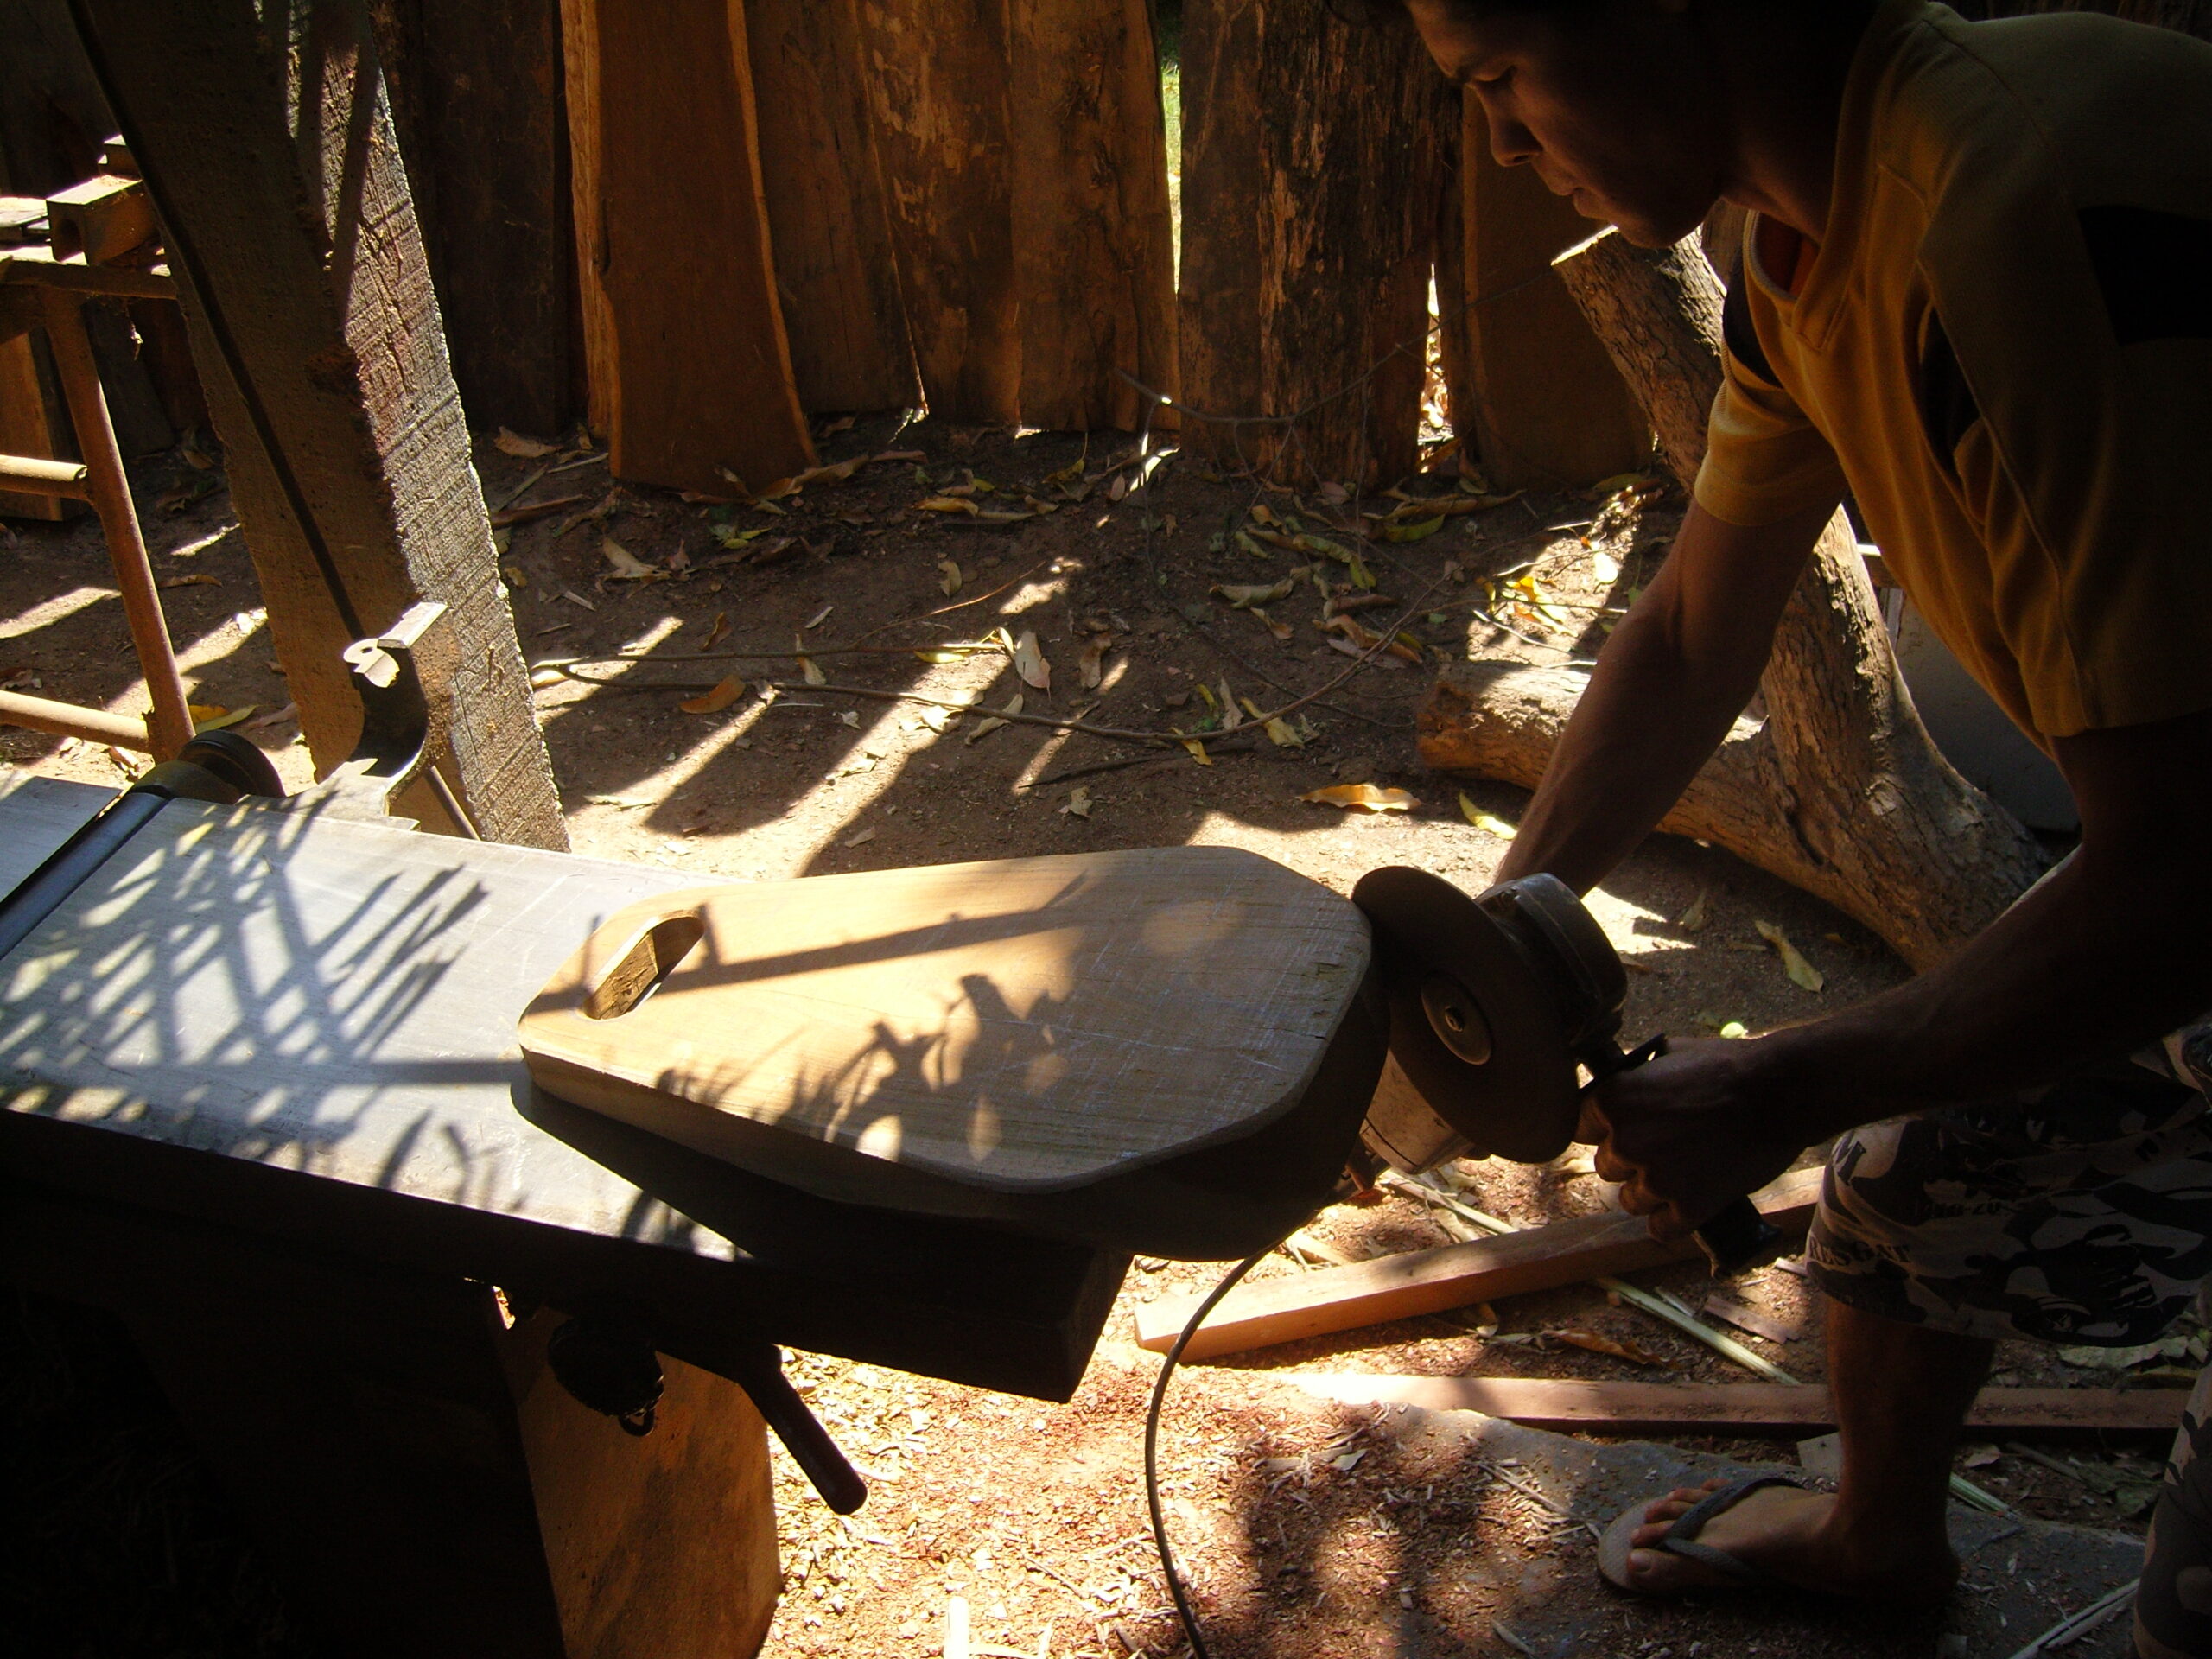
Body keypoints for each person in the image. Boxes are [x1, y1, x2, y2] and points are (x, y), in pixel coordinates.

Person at [1378, 0, 2212, 1650]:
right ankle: (1873, 1543)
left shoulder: (2010, 210)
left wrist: (1777, 1076)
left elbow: (2185, 880)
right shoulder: (1815, 250)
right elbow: (1695, 630)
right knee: (1912, 1183)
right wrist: (1511, 941)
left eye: (1499, 78)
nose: (1498, 143)